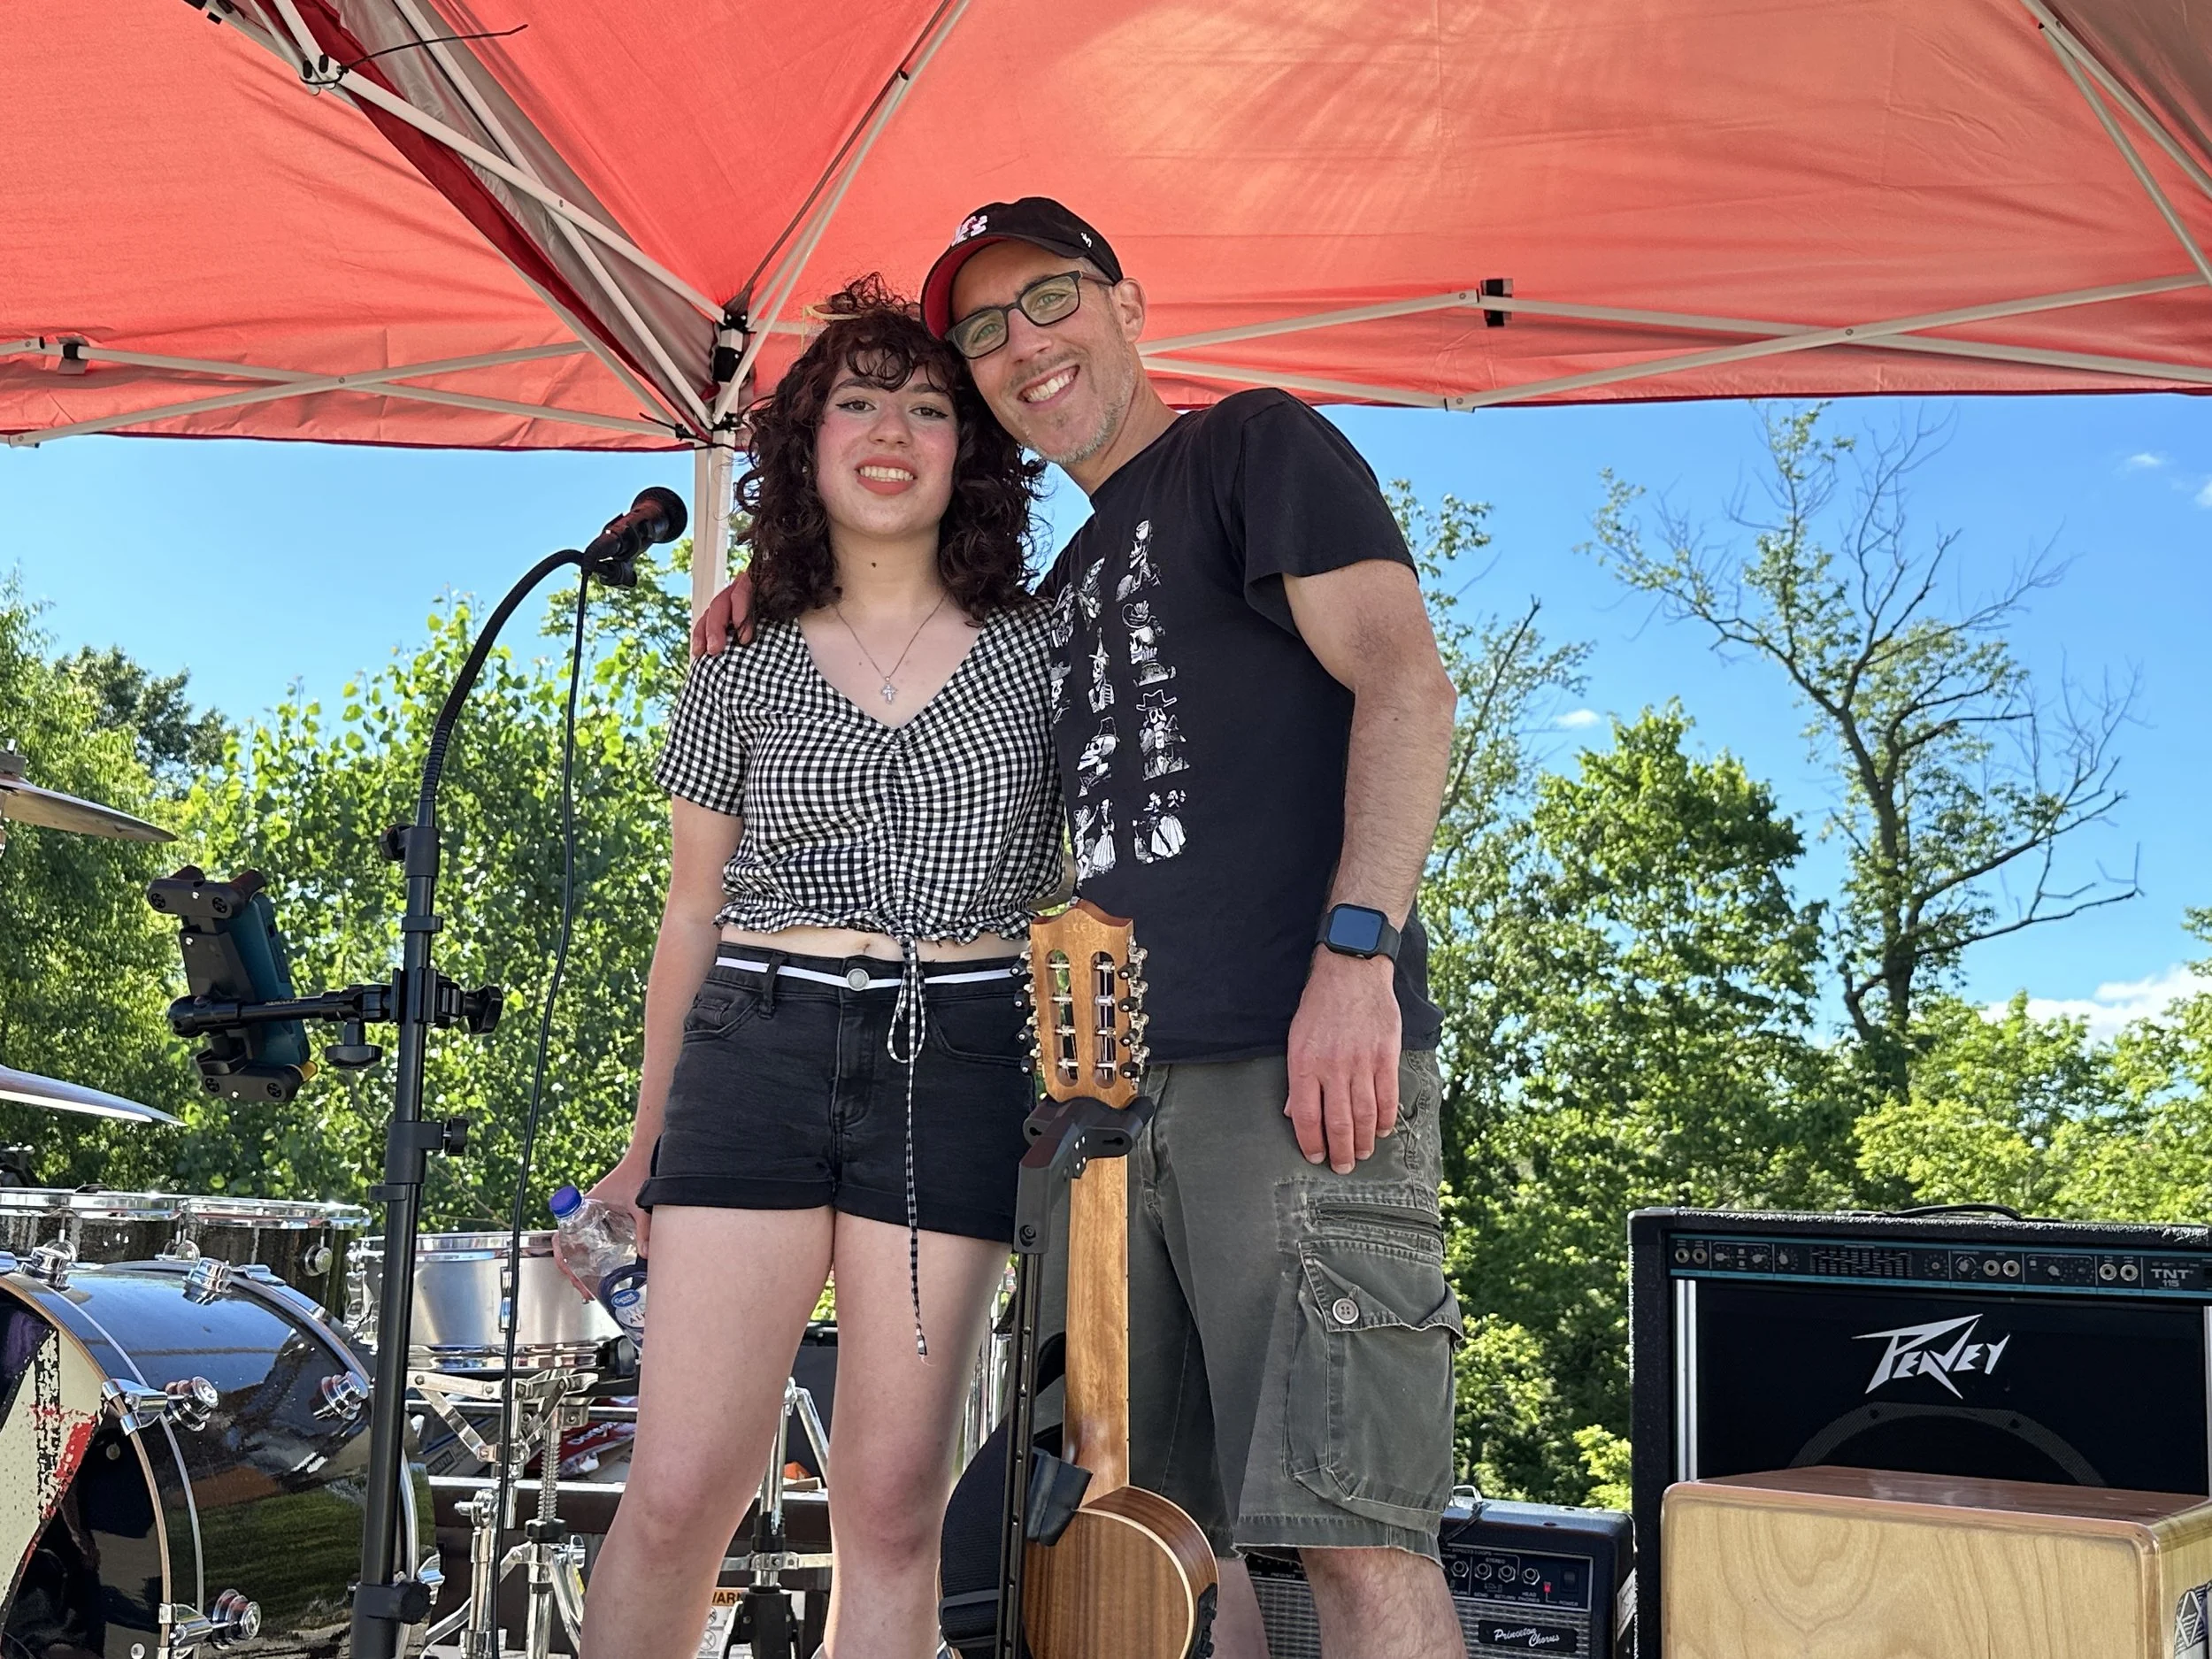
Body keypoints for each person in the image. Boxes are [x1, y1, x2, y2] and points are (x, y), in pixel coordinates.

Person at [696, 203, 1464, 1659]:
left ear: (1127, 305)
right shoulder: (1060, 588)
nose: (1022, 345)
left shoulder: (1253, 447)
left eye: (1049, 300)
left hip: (1290, 1071)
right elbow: (921, 673)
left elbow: (1406, 683)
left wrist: (1357, 957)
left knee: (1351, 1527)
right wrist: (790, 587)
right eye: (985, 331)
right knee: (1150, 1542)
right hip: (1107, 1111)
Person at [579, 276, 1062, 1659]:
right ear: (806, 445)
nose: (892, 430)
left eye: (929, 407)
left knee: (894, 1507)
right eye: (857, 401)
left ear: (973, 450)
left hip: (956, 1057)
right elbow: (690, 907)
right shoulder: (739, 660)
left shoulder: (1049, 646)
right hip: (758, 1047)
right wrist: (645, 1144)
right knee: (680, 1491)